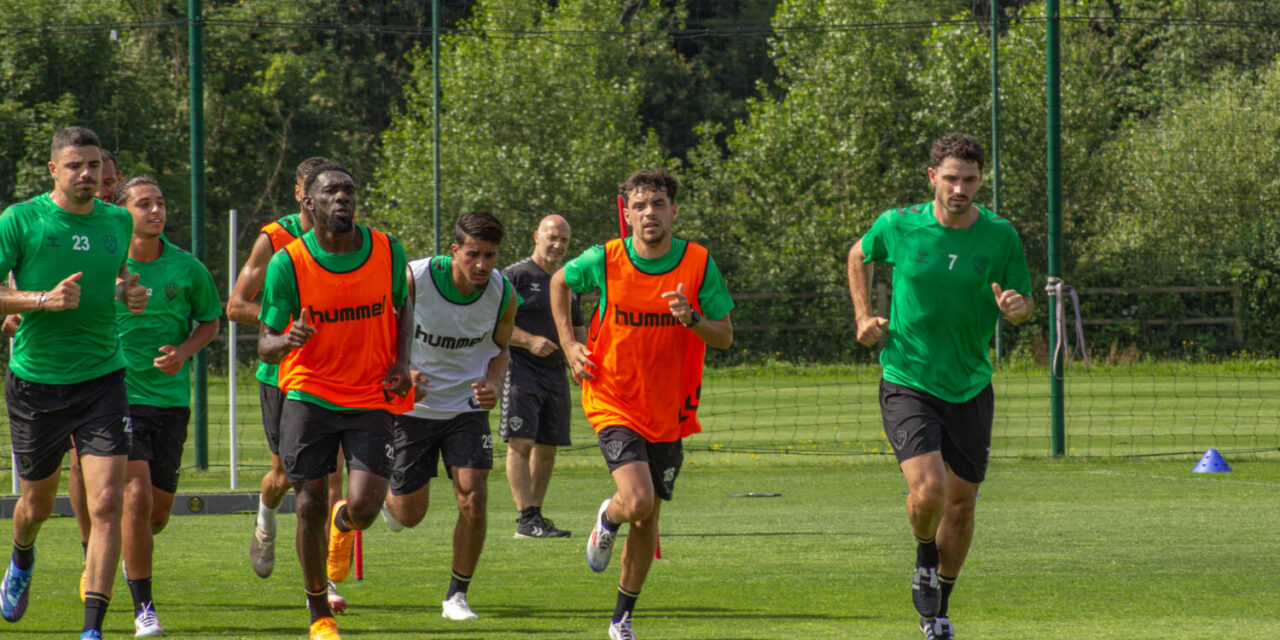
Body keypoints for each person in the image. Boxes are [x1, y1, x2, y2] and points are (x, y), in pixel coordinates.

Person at [846, 132, 1033, 640]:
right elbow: (858, 255)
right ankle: (924, 552)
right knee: (929, 491)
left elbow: (1023, 302)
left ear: (980, 181)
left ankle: (939, 609)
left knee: (962, 504)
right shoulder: (899, 225)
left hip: (970, 384)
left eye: (969, 179)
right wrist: (864, 316)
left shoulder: (1000, 236)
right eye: (950, 178)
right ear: (933, 178)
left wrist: (1018, 310)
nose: (959, 188)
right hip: (908, 377)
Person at [550, 169, 735, 640]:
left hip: (670, 410)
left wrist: (691, 318)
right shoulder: (606, 258)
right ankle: (608, 516)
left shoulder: (697, 263)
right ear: (626, 214)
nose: (649, 212)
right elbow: (559, 282)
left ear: (673, 211)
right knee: (636, 500)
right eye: (640, 205)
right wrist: (570, 345)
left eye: (657, 203)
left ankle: (621, 620)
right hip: (612, 398)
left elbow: (725, 336)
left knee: (648, 517)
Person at [0, 126, 148, 640]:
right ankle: (21, 559)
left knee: (108, 502)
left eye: (93, 165)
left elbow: (114, 276)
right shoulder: (21, 220)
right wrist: (40, 300)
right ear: (53, 170)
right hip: (36, 383)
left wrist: (128, 293)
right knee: (35, 506)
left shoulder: (118, 221)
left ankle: (92, 629)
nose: (87, 175)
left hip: (103, 378)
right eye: (75, 166)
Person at [258, 161, 414, 640]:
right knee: (309, 502)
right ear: (309, 203)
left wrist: (401, 361)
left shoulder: (386, 249)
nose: (342, 198)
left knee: (366, 504)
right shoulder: (289, 262)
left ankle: (344, 526)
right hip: (310, 392)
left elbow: (403, 303)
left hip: (370, 393)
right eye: (331, 192)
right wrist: (287, 337)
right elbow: (264, 341)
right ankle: (318, 614)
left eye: (349, 190)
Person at [228, 156, 350, 612]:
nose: (321, 196)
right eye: (311, 188)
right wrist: (285, 321)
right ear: (302, 193)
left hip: (332, 375)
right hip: (281, 374)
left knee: (327, 479)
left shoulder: (349, 238)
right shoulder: (275, 239)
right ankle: (265, 516)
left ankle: (325, 585)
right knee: (287, 478)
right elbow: (236, 305)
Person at [381, 210, 516, 622]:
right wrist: (403, 369)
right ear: (453, 250)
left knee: (474, 497)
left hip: (466, 409)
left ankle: (456, 595)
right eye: (473, 254)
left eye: (490, 255)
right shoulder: (413, 279)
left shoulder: (504, 294)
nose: (481, 265)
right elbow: (378, 332)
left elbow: (501, 349)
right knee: (410, 515)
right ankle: (383, 497)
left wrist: (493, 383)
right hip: (412, 408)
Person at [112, 176, 221, 637]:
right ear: (124, 213)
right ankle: (145, 610)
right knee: (134, 499)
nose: (155, 211)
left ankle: (129, 552)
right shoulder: (107, 265)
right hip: (117, 396)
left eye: (160, 203)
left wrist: (184, 352)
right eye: (144, 204)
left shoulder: (187, 267)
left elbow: (211, 320)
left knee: (155, 515)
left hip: (171, 403)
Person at [500, 214, 585, 539]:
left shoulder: (568, 281)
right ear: (537, 236)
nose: (558, 245)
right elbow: (495, 322)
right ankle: (525, 518)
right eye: (552, 237)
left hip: (556, 373)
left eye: (563, 240)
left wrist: (580, 357)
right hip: (521, 371)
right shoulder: (516, 277)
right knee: (521, 443)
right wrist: (528, 340)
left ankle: (535, 516)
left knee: (548, 445)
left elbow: (577, 326)